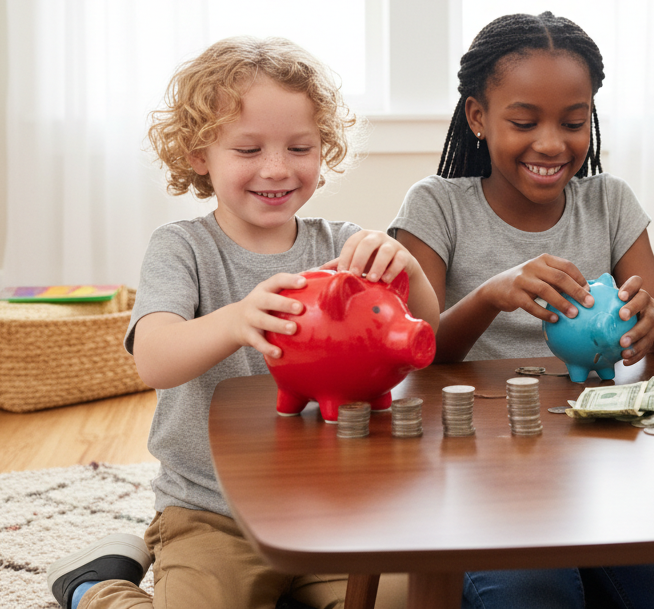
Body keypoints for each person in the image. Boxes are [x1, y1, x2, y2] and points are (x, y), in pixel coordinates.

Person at [47, 37, 437, 609]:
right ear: (199, 155)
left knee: (416, 602)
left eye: (300, 147)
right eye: (248, 149)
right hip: (212, 513)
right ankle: (94, 587)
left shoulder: (346, 244)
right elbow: (154, 357)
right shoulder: (182, 248)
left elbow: (426, 341)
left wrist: (410, 273)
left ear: (323, 150)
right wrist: (235, 319)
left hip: (336, 504)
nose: (276, 168)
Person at [389, 11, 654, 609]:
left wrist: (652, 321)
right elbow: (415, 356)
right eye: (524, 121)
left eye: (573, 122)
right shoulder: (436, 206)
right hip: (483, 460)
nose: (551, 143)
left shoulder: (609, 202)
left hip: (595, 455)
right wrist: (491, 294)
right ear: (478, 118)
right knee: (533, 593)